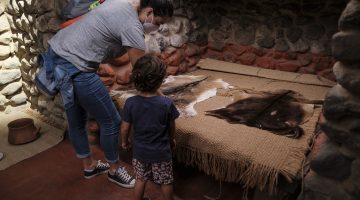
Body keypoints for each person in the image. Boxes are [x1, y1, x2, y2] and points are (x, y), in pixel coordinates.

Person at [43, 0, 174, 188]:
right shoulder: (132, 26)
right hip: (75, 66)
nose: (157, 26)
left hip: (57, 52)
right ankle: (114, 170)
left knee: (77, 119)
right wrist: (161, 96)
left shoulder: (123, 2)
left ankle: (89, 167)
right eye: (159, 22)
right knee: (111, 121)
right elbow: (143, 73)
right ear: (150, 12)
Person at [121, 54, 179, 200]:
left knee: (140, 179)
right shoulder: (166, 103)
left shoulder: (130, 103)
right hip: (161, 152)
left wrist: (124, 141)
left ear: (135, 78)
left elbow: (125, 128)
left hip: (140, 152)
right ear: (160, 81)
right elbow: (172, 126)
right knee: (166, 181)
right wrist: (172, 140)